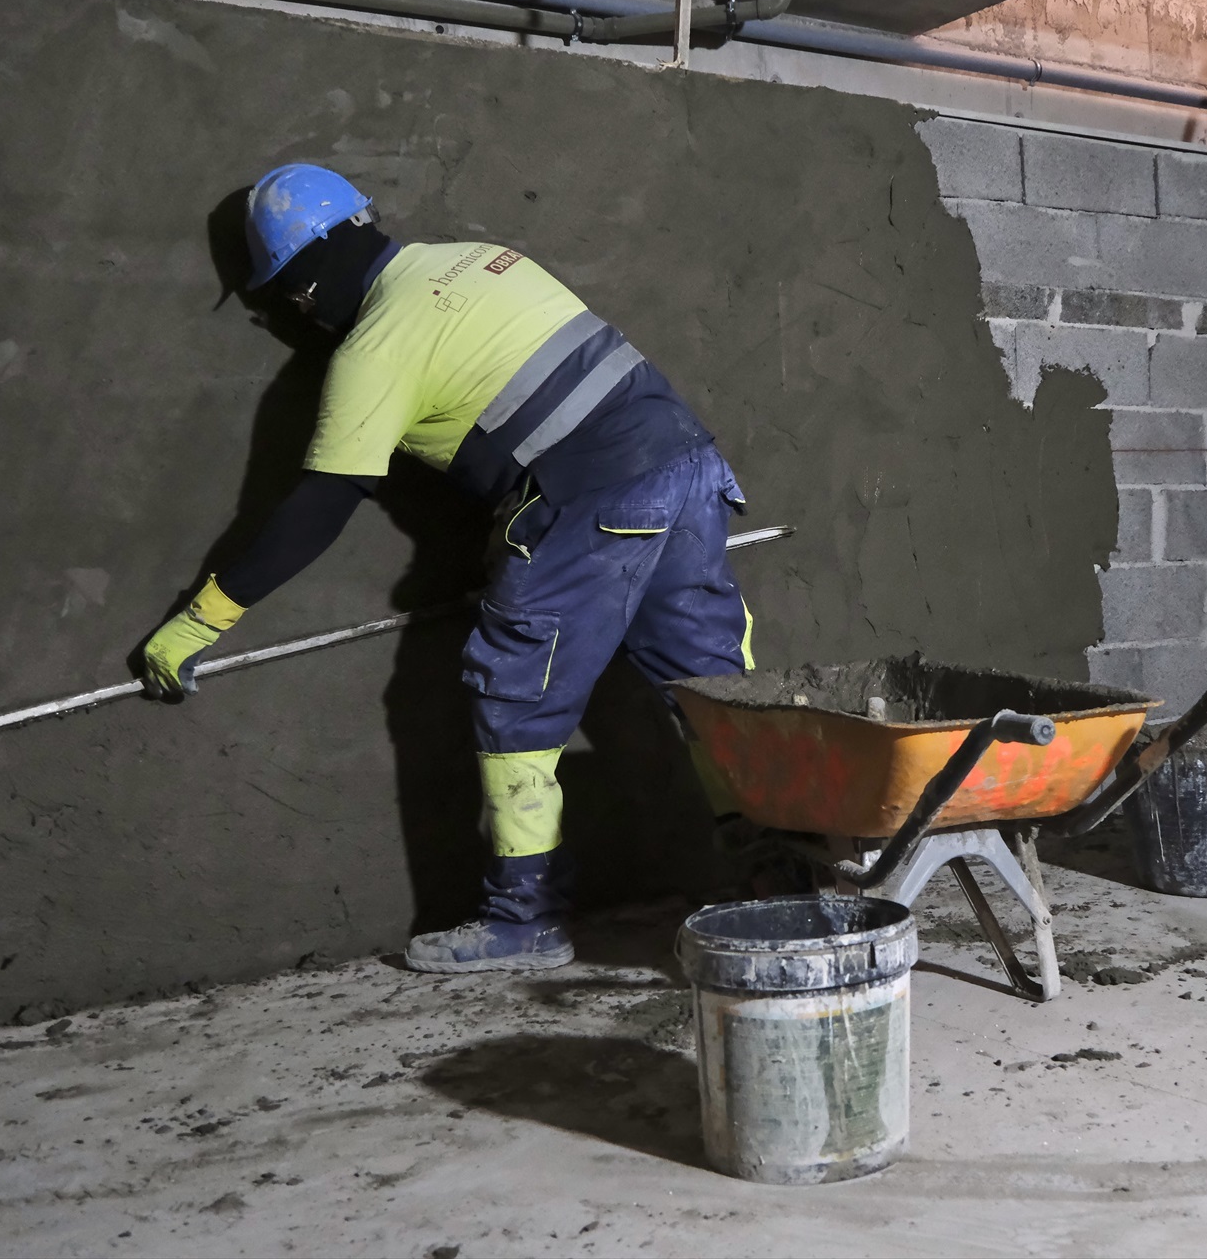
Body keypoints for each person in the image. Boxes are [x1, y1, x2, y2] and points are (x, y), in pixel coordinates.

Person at [139, 164, 754, 971]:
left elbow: (320, 506)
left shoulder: (376, 345)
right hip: (688, 462)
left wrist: (199, 622)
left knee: (516, 692)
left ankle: (525, 919)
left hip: (592, 494)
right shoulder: (479, 258)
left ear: (304, 284)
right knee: (712, 688)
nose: (294, 314)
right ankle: (777, 878)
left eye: (285, 298)